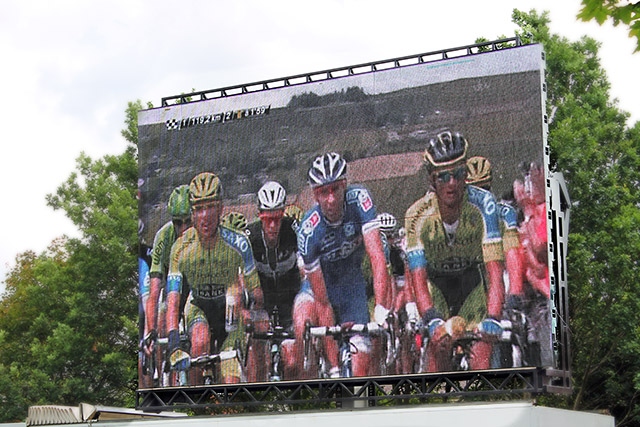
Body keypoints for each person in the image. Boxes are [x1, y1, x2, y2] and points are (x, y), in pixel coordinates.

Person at [404, 129, 506, 372]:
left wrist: (492, 317)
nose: (452, 183)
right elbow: (418, 279)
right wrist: (431, 318)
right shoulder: (416, 215)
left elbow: (494, 273)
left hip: (470, 284)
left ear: (466, 174)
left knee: (481, 357)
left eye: (459, 174)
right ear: (431, 180)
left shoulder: (485, 205)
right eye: (443, 177)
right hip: (436, 286)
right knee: (438, 351)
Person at [297, 152, 391, 377]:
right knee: (302, 330)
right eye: (322, 192)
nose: (330, 199)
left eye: (335, 189)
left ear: (345, 185)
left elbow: (378, 259)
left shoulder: (359, 200)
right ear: (314, 195)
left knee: (360, 367)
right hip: (321, 287)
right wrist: (335, 366)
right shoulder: (310, 231)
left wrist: (379, 309)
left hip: (351, 285)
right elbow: (322, 301)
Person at [165, 172, 262, 384]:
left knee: (230, 383)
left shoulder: (239, 244)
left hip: (230, 315)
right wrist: (174, 344)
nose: (205, 215)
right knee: (199, 342)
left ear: (220, 208)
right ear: (192, 213)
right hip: (198, 306)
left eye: (210, 207)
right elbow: (173, 303)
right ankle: (193, 403)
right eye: (199, 209)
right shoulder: (180, 248)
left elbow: (257, 294)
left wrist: (244, 301)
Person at [245, 181, 304, 380]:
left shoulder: (293, 231)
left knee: (293, 362)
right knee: (259, 360)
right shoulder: (250, 237)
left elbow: (306, 267)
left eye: (277, 219)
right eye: (267, 219)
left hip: (290, 298)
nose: (272, 225)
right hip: (263, 299)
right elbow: (240, 277)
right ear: (259, 216)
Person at [142, 184, 192, 386]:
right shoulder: (163, 237)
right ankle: (162, 372)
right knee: (161, 316)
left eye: (188, 222)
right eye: (178, 223)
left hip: (192, 292)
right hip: (171, 291)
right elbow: (154, 293)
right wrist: (150, 330)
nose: (183, 228)